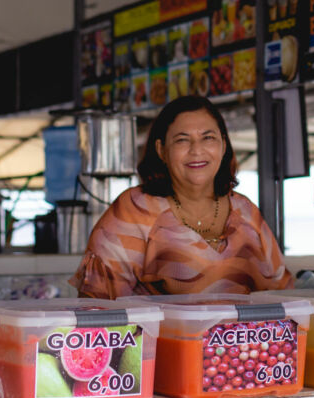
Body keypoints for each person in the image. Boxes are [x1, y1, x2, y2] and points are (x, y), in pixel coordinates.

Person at [71, 96, 293, 298]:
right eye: (182, 140)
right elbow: (97, 307)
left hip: (245, 343)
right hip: (158, 342)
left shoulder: (245, 211)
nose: (197, 150)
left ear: (223, 145)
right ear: (161, 150)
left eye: (208, 137)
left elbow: (282, 294)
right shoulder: (134, 210)